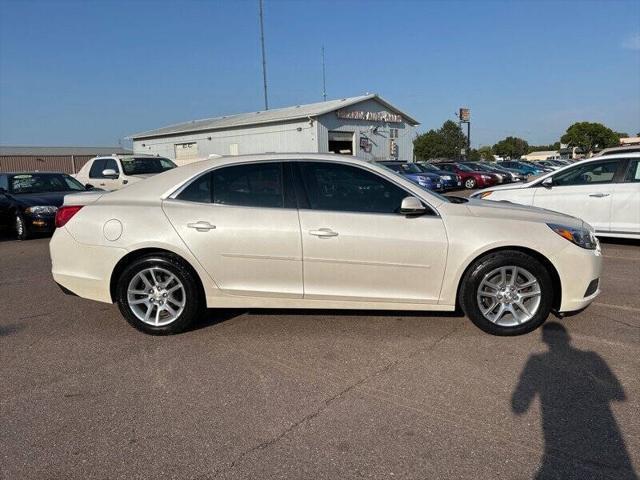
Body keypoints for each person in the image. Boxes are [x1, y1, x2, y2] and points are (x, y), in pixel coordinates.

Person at [512, 322, 637, 479]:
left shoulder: (537, 360)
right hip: (601, 426)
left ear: (544, 340)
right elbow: (618, 394)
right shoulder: (592, 357)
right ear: (568, 338)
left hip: (556, 430)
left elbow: (519, 405)